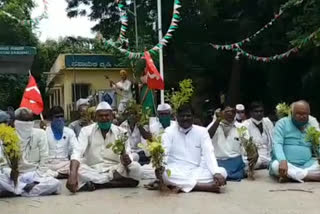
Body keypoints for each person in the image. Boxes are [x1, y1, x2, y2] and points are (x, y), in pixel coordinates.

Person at [66, 102, 141, 193]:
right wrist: (73, 174)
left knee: (136, 168)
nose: (104, 118)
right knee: (75, 170)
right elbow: (77, 153)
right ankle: (114, 182)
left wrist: (127, 160)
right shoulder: (86, 131)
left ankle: (97, 184)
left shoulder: (121, 132)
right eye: (101, 116)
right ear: (95, 117)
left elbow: (128, 154)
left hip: (116, 169)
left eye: (107, 115)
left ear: (112, 117)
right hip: (93, 169)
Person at [160, 103, 227, 193]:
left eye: (188, 116)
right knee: (164, 174)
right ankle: (201, 186)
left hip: (196, 170)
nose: (185, 118)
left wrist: (216, 172)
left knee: (222, 172)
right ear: (177, 117)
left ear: (193, 117)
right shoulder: (169, 131)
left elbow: (209, 153)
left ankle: (178, 185)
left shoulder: (202, 131)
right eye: (182, 116)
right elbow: (164, 152)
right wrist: (161, 167)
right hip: (175, 169)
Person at [0, 108, 61, 197]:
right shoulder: (6, 137)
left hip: (35, 174)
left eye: (29, 121)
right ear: (15, 122)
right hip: (13, 176)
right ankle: (25, 188)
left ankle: (17, 189)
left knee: (55, 183)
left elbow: (45, 158)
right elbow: (3, 164)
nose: (26, 125)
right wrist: (11, 173)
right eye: (23, 122)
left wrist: (37, 175)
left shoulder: (40, 134)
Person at [270, 100, 320, 182]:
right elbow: (277, 144)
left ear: (309, 114)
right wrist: (282, 160)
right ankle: (307, 175)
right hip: (286, 164)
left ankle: (294, 175)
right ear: (291, 113)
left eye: (305, 114)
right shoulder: (282, 123)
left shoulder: (312, 124)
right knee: (276, 166)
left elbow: (318, 144)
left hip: (308, 164)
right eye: (299, 114)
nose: (302, 116)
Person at [207, 105, 251, 181]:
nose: (230, 114)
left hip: (235, 160)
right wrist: (218, 120)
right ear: (221, 112)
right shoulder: (213, 125)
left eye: (233, 112)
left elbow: (247, 148)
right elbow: (207, 137)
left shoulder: (241, 127)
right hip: (217, 160)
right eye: (227, 111)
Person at [46, 106, 78, 179]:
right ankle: (59, 175)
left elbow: (75, 149)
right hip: (48, 164)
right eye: (57, 117)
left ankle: (55, 174)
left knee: (80, 165)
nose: (60, 119)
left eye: (61, 116)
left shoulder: (69, 132)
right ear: (51, 118)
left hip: (64, 164)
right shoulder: (44, 132)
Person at [243, 102, 273, 169]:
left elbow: (273, 140)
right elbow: (245, 146)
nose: (259, 113)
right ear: (251, 113)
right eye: (256, 111)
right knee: (254, 162)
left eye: (261, 111)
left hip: (268, 155)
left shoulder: (267, 122)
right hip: (255, 156)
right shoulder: (245, 125)